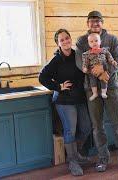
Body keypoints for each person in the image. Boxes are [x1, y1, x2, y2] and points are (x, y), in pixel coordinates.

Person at [75, 11, 118, 173]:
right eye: (92, 21)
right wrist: (97, 72)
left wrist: (107, 72)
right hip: (91, 89)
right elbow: (80, 62)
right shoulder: (81, 41)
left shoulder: (112, 39)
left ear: (102, 23)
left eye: (98, 21)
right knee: (97, 127)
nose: (95, 24)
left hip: (111, 87)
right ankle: (103, 158)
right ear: (87, 24)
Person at [39, 29, 92, 176]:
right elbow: (42, 77)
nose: (65, 41)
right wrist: (58, 87)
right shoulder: (56, 60)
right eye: (61, 40)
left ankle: (74, 154)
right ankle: (73, 161)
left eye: (67, 38)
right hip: (64, 100)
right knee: (70, 131)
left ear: (70, 39)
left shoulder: (77, 55)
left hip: (80, 98)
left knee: (87, 127)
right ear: (58, 43)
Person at [82, 33, 117, 101]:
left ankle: (103, 92)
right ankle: (95, 93)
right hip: (93, 70)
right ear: (89, 43)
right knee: (92, 81)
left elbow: (109, 57)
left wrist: (112, 61)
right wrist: (85, 68)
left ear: (100, 41)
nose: (94, 43)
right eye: (91, 42)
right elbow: (85, 62)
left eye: (96, 40)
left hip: (103, 69)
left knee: (104, 80)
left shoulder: (104, 50)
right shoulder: (87, 54)